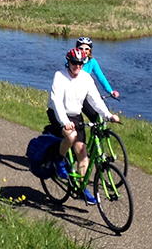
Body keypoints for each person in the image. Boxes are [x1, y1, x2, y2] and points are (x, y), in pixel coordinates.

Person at [47, 48, 119, 205]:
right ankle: (59, 160)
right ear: (68, 62)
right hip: (57, 113)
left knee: (83, 154)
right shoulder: (60, 76)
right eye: (74, 63)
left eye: (80, 63)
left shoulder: (86, 78)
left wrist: (108, 115)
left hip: (75, 114)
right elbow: (57, 102)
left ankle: (82, 189)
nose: (77, 66)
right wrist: (65, 122)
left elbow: (95, 100)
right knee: (71, 136)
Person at [76, 37, 119, 122]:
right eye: (81, 48)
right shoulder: (72, 61)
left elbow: (100, 77)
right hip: (75, 95)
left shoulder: (92, 62)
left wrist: (110, 91)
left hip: (86, 92)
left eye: (86, 49)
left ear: (90, 50)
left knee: (97, 118)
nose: (84, 51)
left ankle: (95, 134)